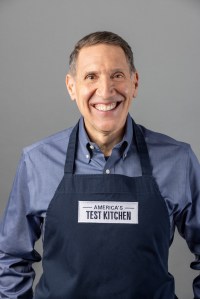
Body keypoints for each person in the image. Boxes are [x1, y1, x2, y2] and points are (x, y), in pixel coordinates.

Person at [0, 31, 200, 299]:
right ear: (72, 87)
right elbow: (10, 258)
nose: (105, 91)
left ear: (134, 83)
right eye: (91, 76)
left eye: (117, 75)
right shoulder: (37, 161)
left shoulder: (178, 160)